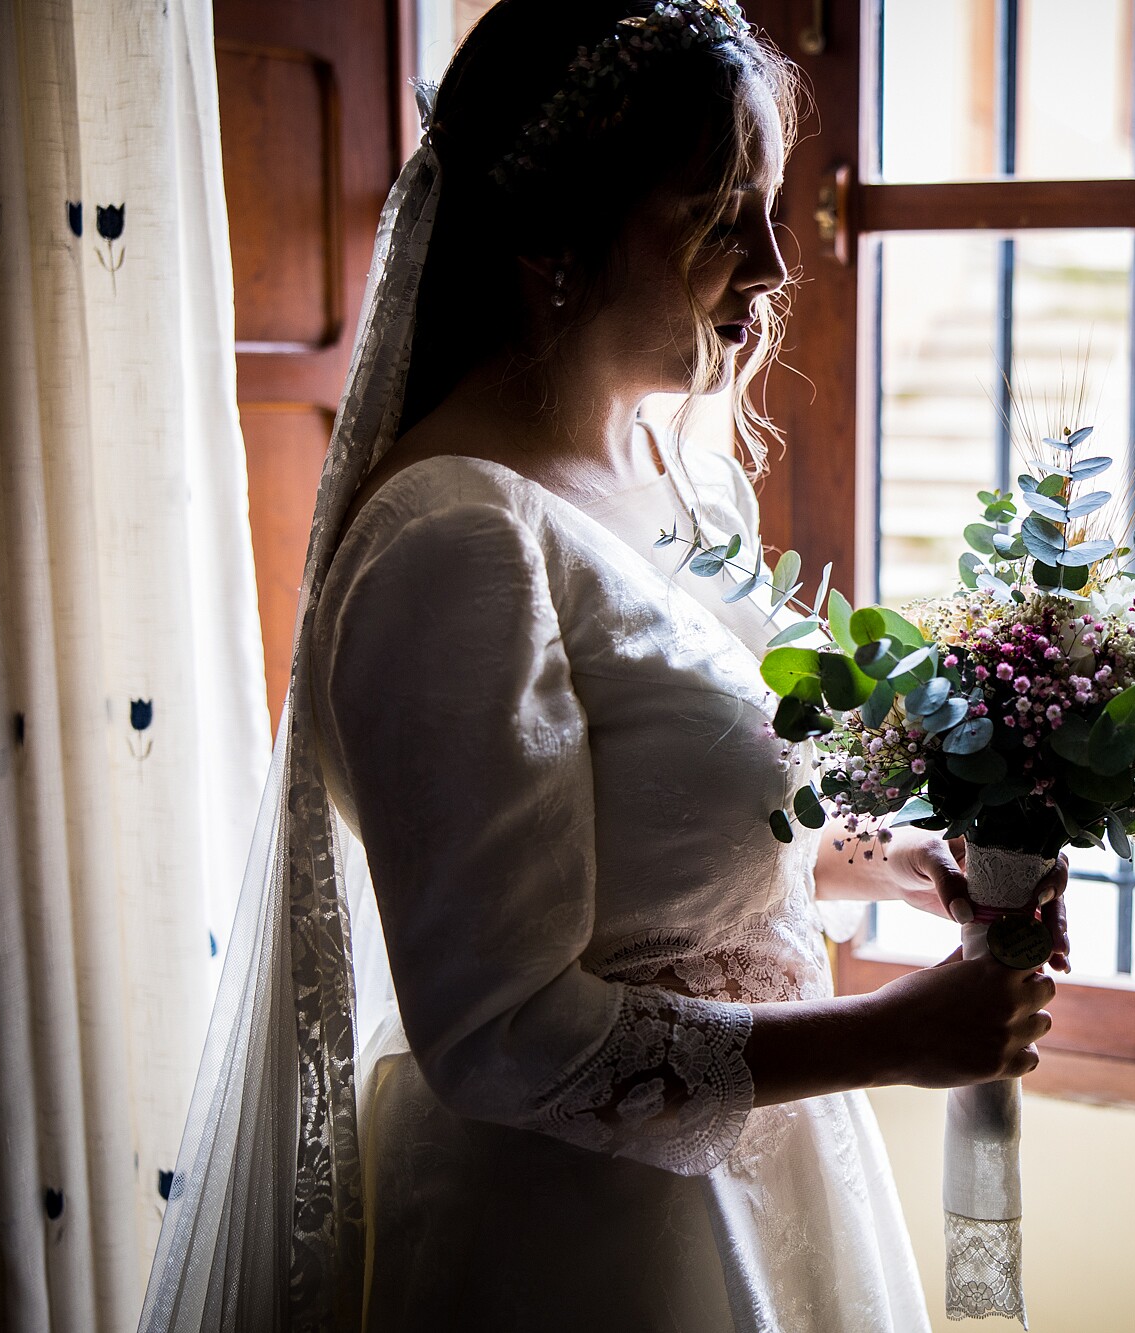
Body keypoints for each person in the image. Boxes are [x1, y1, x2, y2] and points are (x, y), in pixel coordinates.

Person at [138, 4, 1067, 1330]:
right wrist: (894, 1035)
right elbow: (500, 1032)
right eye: (714, 212)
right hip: (578, 1246)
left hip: (766, 1180)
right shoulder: (456, 543)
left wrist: (888, 862)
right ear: (551, 241)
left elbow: (666, 828)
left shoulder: (659, 465)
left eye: (767, 204)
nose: (769, 259)